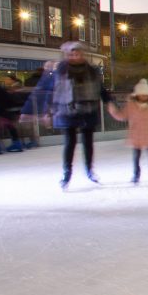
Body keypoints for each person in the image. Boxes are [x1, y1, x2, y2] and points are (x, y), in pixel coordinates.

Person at [28, 41, 110, 188]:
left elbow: (100, 88)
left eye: (77, 53)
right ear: (67, 55)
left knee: (88, 143)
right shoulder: (61, 70)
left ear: (82, 54)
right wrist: (46, 111)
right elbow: (51, 90)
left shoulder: (91, 70)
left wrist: (109, 102)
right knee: (69, 143)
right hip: (66, 110)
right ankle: (67, 172)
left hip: (87, 109)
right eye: (72, 54)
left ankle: (89, 170)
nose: (75, 56)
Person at [107, 79, 148, 184]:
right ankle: (136, 174)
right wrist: (113, 111)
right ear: (137, 95)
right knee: (136, 156)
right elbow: (122, 116)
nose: (144, 96)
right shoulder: (131, 106)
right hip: (135, 134)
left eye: (146, 95)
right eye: (141, 94)